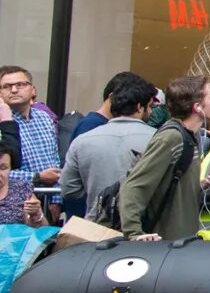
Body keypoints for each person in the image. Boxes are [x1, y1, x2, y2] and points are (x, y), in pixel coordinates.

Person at [117, 76, 210, 240]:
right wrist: (134, 233)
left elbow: (173, 184)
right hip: (165, 245)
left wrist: (203, 184)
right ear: (198, 107)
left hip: (182, 241)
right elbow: (134, 185)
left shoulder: (192, 136)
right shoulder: (171, 138)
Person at [57, 72, 155, 219]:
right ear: (140, 107)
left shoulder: (83, 140)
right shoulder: (159, 139)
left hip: (96, 225)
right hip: (145, 228)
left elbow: (69, 189)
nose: (152, 111)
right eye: (150, 106)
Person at [0, 65, 61, 224]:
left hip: (45, 201)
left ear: (33, 90)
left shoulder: (44, 118)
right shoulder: (4, 124)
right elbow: (3, 170)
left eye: (20, 85)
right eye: (7, 86)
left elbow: (55, 162)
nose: (14, 90)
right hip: (12, 204)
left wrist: (56, 199)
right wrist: (38, 177)